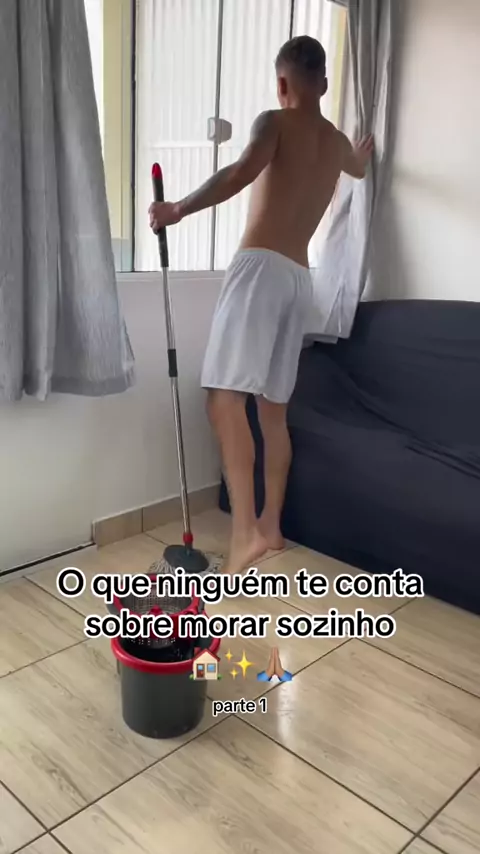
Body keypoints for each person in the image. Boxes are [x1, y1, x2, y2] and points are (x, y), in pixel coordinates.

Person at [149, 36, 373, 574]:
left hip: (260, 270)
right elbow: (359, 169)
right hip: (300, 280)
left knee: (222, 401)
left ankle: (246, 531)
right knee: (273, 412)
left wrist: (177, 209)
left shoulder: (274, 122)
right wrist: (362, 155)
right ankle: (271, 526)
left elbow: (239, 173)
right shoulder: (336, 142)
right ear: (323, 84)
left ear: (281, 83)